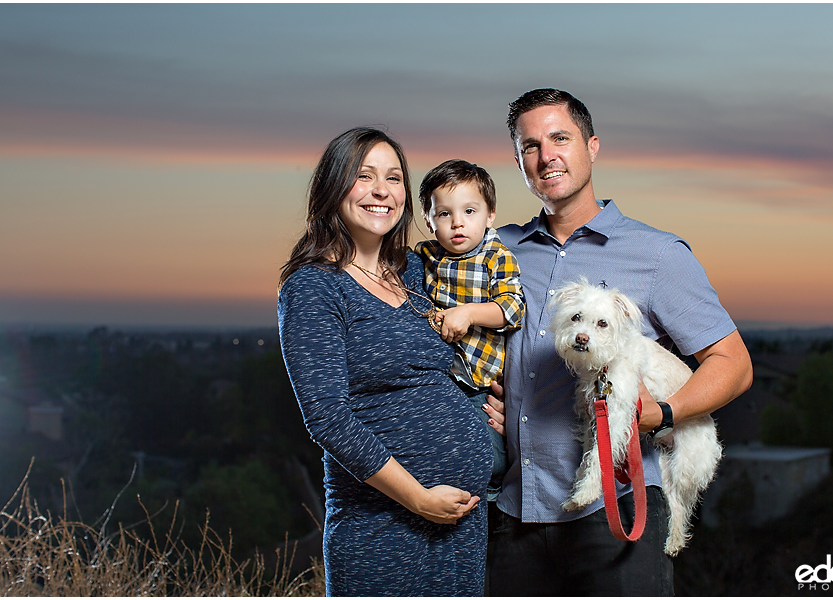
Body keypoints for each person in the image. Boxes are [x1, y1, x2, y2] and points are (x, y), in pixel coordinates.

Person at [485, 88, 754, 596]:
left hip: (616, 512)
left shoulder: (657, 255)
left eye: (560, 138)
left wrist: (666, 412)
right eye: (530, 146)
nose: (546, 157)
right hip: (514, 511)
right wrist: (479, 402)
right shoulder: (498, 251)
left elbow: (734, 364)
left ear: (592, 146)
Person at [277, 127, 492, 596]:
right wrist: (418, 498)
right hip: (383, 531)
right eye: (364, 176)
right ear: (333, 187)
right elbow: (328, 419)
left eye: (394, 178)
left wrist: (489, 405)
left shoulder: (419, 272)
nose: (382, 190)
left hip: (464, 525)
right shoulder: (314, 288)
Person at [415, 159, 525, 502]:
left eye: (469, 211)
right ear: (429, 220)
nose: (457, 222)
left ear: (490, 215)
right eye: (444, 214)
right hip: (441, 379)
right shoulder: (427, 254)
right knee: (440, 454)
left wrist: (470, 313)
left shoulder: (496, 256)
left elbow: (513, 308)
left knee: (489, 457)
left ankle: (491, 502)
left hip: (480, 380)